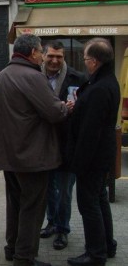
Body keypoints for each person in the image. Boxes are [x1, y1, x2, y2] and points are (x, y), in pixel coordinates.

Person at [0, 34, 70, 266]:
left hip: (9, 156)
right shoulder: (33, 77)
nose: (43, 56)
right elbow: (54, 112)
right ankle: (25, 257)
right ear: (32, 52)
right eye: (42, 51)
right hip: (31, 157)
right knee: (32, 208)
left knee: (15, 205)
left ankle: (12, 248)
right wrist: (66, 106)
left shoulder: (1, 75)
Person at [66, 37, 119, 266]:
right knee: (100, 200)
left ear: (95, 61)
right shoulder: (107, 80)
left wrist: (79, 163)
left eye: (86, 59)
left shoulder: (99, 88)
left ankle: (95, 254)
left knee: (89, 205)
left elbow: (90, 132)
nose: (85, 62)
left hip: (92, 158)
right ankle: (107, 245)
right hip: (101, 155)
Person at [40, 40, 86, 250]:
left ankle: (62, 230)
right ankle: (51, 222)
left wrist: (74, 110)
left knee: (65, 191)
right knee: (49, 188)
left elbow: (86, 113)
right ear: (43, 55)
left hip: (68, 146)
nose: (54, 60)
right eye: (51, 56)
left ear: (64, 57)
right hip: (43, 145)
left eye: (59, 56)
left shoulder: (79, 78)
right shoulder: (34, 77)